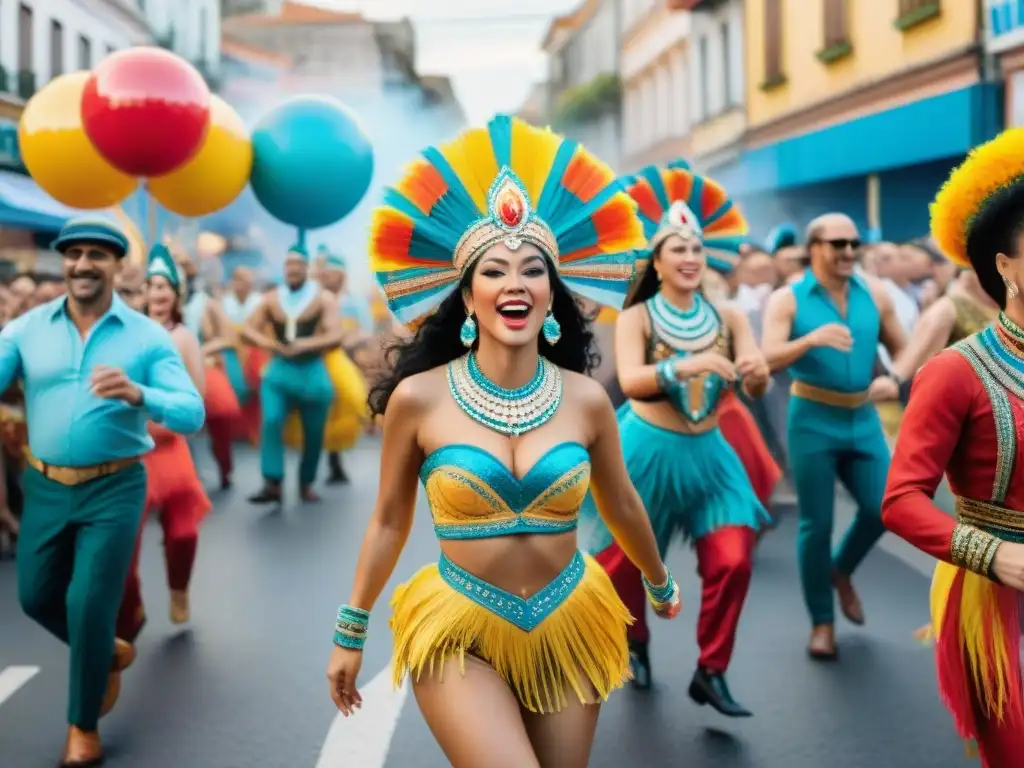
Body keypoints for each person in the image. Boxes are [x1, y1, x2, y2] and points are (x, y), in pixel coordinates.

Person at [325, 115, 680, 768]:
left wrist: (659, 582)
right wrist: (352, 628)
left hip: (567, 617)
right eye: (494, 271)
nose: (515, 282)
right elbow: (388, 521)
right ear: (469, 296)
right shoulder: (418, 400)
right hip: (459, 624)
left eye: (531, 271)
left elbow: (622, 503)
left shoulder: (586, 399)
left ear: (551, 294)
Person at [5, 216, 205, 766]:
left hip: (114, 488)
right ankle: (106, 651)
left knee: (89, 601)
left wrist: (140, 393)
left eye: (97, 254)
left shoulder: (147, 336)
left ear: (118, 266)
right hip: (44, 485)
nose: (83, 263)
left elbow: (191, 412)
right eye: (74, 254)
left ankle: (82, 727)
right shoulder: (25, 330)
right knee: (35, 597)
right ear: (63, 262)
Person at [581, 161, 771, 715]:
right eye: (677, 249)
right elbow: (632, 380)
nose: (690, 257)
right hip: (646, 452)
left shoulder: (729, 317)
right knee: (622, 563)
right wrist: (687, 365)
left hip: (711, 457)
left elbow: (753, 380)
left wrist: (758, 373)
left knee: (734, 557)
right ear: (657, 262)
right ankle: (635, 641)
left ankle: (712, 669)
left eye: (696, 249)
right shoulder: (637, 317)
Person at [882, 129, 1024, 767]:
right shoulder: (955, 372)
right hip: (993, 593)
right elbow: (901, 501)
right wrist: (995, 556)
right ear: (1004, 267)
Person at [761, 214, 906, 659]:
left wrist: (895, 377)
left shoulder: (875, 293)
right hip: (812, 418)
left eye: (853, 244)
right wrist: (810, 341)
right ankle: (822, 622)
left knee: (886, 508)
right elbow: (767, 358)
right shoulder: (787, 298)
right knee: (816, 524)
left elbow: (903, 349)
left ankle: (841, 570)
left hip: (862, 417)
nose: (848, 252)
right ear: (814, 248)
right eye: (838, 244)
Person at [115, 244, 210, 643]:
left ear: (176, 294)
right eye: (151, 286)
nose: (157, 293)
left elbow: (197, 399)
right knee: (122, 539)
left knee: (184, 532)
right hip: (132, 449)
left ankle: (178, 587)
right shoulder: (126, 334)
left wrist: (167, 415)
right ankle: (129, 608)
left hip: (170, 447)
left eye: (164, 286)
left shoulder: (184, 337)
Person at [242, 246, 344, 504]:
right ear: (284, 268)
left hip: (312, 370)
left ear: (306, 267)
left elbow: (336, 335)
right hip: (279, 370)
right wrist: (270, 344)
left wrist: (306, 344)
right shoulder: (271, 298)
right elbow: (247, 330)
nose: (294, 268)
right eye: (289, 264)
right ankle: (272, 482)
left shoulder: (322, 298)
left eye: (298, 263)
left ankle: (306, 482)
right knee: (271, 420)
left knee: (314, 431)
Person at [284, 249, 368, 485]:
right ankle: (309, 464)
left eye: (332, 273)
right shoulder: (313, 297)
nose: (328, 276)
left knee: (343, 406)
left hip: (344, 359)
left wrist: (349, 342)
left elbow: (364, 330)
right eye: (325, 273)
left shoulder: (354, 302)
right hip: (316, 358)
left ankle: (335, 459)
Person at [182, 259, 243, 489]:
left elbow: (229, 338)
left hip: (204, 367)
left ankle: (225, 467)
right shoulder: (158, 301)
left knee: (222, 413)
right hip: (173, 370)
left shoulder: (206, 304)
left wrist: (202, 349)